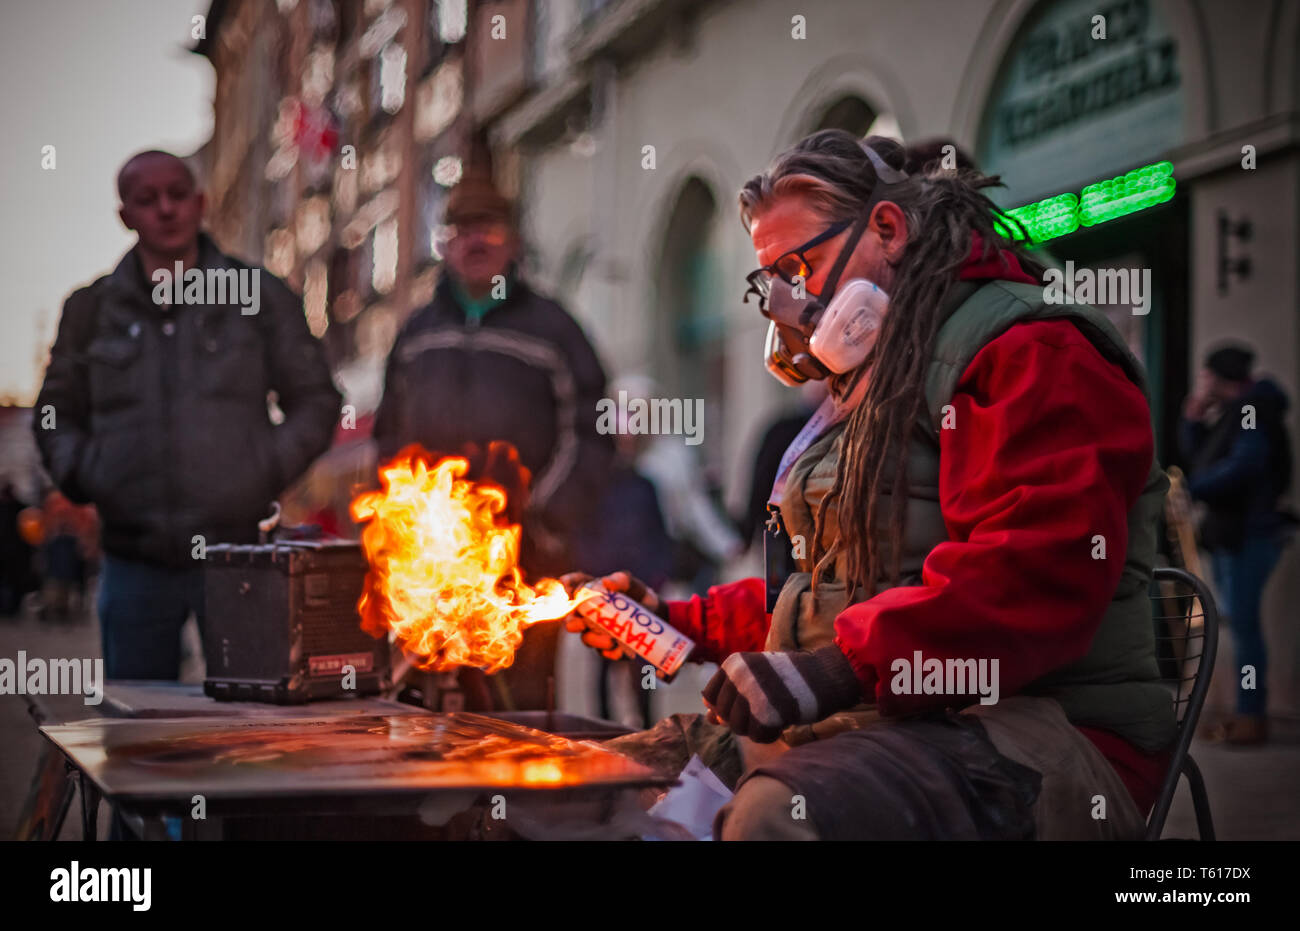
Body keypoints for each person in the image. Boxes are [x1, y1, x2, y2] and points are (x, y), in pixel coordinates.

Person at [564, 130, 1174, 840]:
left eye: (803, 264)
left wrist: (837, 669)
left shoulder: (1033, 349)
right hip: (882, 715)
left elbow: (1036, 573)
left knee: (771, 820)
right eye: (772, 280)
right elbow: (835, 591)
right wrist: (680, 624)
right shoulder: (877, 379)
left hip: (1045, 735)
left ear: (887, 228)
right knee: (580, 791)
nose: (788, 305)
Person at [33, 150, 341, 678]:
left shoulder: (259, 297)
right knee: (139, 736)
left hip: (237, 558)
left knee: (251, 726)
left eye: (178, 195)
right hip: (133, 561)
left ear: (200, 203)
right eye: (147, 199)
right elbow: (54, 413)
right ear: (126, 215)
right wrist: (87, 474)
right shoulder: (91, 309)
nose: (166, 209)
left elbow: (315, 399)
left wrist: (260, 471)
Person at [373, 169, 614, 708]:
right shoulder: (416, 332)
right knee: (429, 701)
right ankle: (440, 794)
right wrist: (400, 530)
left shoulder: (555, 329)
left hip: (525, 558)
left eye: (488, 227)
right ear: (445, 244)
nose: (474, 240)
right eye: (459, 228)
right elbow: (387, 436)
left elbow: (593, 432)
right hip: (433, 559)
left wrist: (546, 517)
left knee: (518, 711)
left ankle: (516, 795)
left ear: (514, 239)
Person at [1179, 343, 1293, 744]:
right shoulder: (1237, 412)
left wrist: (1195, 487)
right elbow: (1203, 456)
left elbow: (1245, 465)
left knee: (1244, 627)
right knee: (1239, 625)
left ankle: (1250, 715)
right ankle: (1247, 714)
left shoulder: (1251, 410)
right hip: (1232, 533)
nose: (1203, 383)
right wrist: (1192, 422)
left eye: (1208, 375)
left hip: (1250, 533)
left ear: (1220, 377)